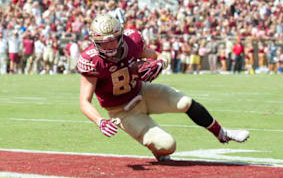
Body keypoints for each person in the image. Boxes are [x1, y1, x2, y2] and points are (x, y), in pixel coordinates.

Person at [77, 14, 250, 161]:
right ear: (95, 41)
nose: (109, 47)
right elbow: (84, 101)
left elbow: (158, 56)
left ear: (120, 36)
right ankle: (157, 151)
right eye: (103, 43)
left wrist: (160, 63)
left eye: (113, 41)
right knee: (168, 145)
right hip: (122, 110)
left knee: (185, 102)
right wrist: (100, 121)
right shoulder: (91, 60)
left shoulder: (132, 42)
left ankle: (222, 133)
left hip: (142, 91)